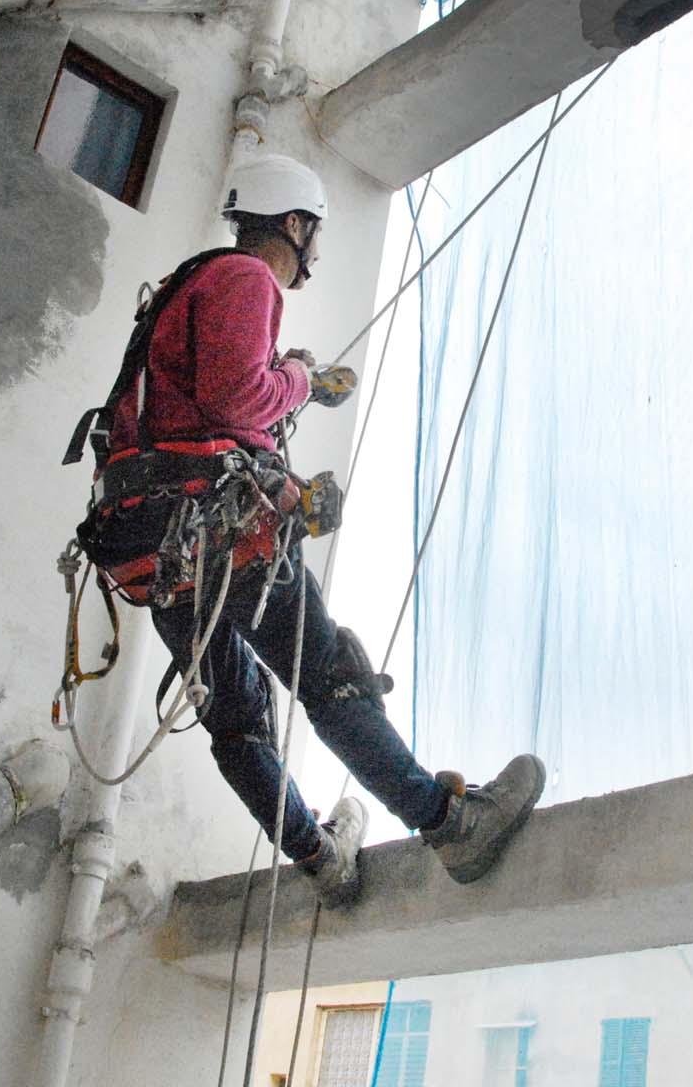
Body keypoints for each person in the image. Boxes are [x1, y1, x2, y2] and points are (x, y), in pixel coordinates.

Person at [94, 153, 544, 906]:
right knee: (328, 675)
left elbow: (204, 413)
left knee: (237, 724)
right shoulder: (245, 278)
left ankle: (319, 858)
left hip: (156, 550)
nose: (314, 251)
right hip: (221, 540)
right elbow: (237, 396)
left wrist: (288, 391)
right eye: (314, 233)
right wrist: (298, 378)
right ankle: (447, 823)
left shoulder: (187, 288)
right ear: (295, 223)